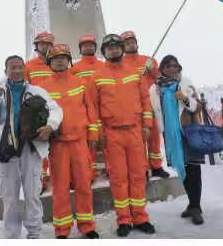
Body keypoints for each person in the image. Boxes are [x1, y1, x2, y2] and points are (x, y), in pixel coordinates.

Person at [0, 55, 63, 239]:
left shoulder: (37, 91)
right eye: (12, 68)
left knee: (32, 194)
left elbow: (55, 109)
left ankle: (34, 233)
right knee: (9, 198)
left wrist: (51, 125)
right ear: (5, 71)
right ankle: (11, 236)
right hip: (5, 151)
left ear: (24, 69)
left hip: (30, 149)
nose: (16, 71)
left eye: (19, 67)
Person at [88, 34, 156, 237]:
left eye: (117, 47)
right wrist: (99, 132)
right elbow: (93, 107)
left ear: (122, 49)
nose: (114, 50)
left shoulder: (135, 73)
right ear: (104, 52)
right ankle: (124, 220)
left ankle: (141, 217)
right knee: (118, 179)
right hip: (112, 134)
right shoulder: (96, 76)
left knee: (138, 176)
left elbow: (145, 100)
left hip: (135, 131)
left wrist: (147, 125)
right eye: (109, 48)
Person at [41, 44, 100, 239]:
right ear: (50, 62)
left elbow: (91, 109)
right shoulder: (43, 87)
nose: (59, 60)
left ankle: (87, 225)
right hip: (57, 145)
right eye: (55, 58)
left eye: (63, 57)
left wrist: (93, 134)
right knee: (60, 187)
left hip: (80, 143)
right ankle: (62, 229)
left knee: (84, 184)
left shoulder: (81, 82)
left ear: (68, 61)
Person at [150, 54, 205, 225]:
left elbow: (198, 107)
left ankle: (196, 207)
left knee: (194, 169)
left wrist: (184, 98)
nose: (172, 68)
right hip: (171, 136)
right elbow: (155, 112)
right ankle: (192, 204)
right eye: (168, 66)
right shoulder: (154, 89)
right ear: (162, 69)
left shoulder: (186, 83)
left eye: (175, 65)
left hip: (188, 132)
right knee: (184, 170)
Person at [121, 30, 169, 179]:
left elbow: (160, 80)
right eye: (127, 43)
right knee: (139, 139)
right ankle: (142, 168)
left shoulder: (149, 60)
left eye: (132, 42)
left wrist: (153, 70)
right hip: (133, 106)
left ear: (136, 43)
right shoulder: (120, 64)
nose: (130, 44)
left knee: (154, 137)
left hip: (151, 104)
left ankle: (156, 166)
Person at [70, 34, 105, 180]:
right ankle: (90, 172)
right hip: (85, 109)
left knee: (106, 140)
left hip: (104, 108)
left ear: (95, 47)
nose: (88, 47)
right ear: (80, 49)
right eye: (85, 45)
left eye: (91, 45)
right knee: (88, 142)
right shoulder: (74, 69)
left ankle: (111, 168)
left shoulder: (103, 66)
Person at [24, 31, 55, 192]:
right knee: (39, 150)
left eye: (49, 44)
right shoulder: (29, 66)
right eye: (43, 44)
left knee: (57, 149)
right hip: (37, 114)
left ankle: (57, 178)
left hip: (55, 110)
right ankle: (40, 182)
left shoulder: (57, 62)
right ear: (37, 46)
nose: (46, 47)